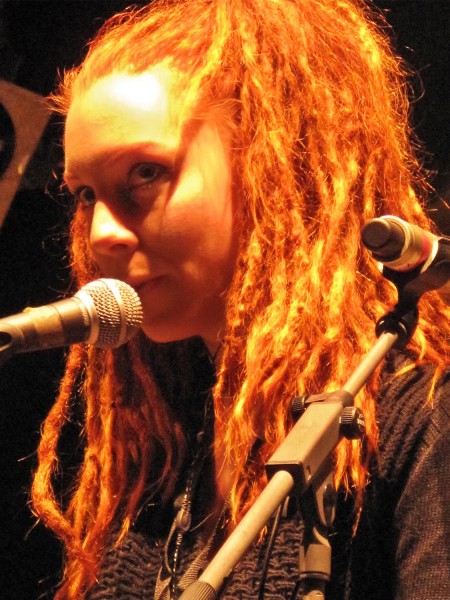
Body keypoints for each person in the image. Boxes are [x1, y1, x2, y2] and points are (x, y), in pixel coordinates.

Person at [31, 0, 450, 598]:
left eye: (145, 174)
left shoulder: (421, 418)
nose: (102, 235)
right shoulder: (167, 453)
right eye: (86, 195)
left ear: (277, 170)